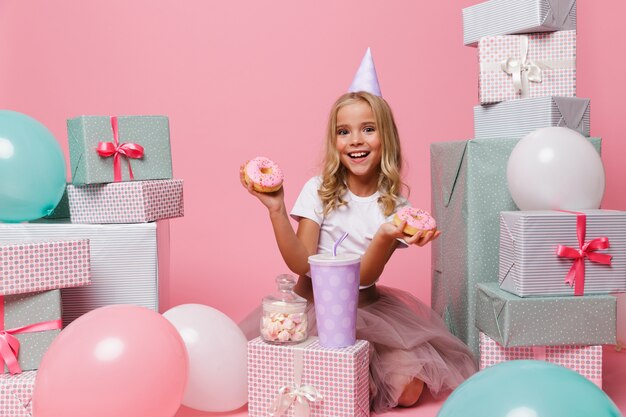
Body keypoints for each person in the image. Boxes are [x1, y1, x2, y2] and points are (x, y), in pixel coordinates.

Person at [239, 49, 477, 413]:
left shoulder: (395, 208)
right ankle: (333, 383)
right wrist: (276, 210)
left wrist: (387, 234)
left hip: (367, 312)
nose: (356, 140)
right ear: (334, 141)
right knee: (284, 374)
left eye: (368, 129)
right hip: (313, 309)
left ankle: (352, 378)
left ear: (387, 138)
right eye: (343, 131)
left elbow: (363, 275)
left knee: (409, 390)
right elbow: (302, 264)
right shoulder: (318, 190)